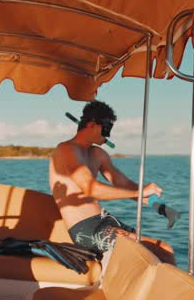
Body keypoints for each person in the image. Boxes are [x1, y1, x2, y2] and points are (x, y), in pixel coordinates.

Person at [49, 100, 175, 264]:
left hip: (104, 221)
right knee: (155, 251)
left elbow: (125, 185)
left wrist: (160, 207)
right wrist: (138, 192)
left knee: (164, 249)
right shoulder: (66, 150)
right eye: (106, 128)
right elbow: (90, 188)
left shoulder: (98, 154)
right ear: (92, 125)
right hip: (86, 230)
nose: (108, 135)